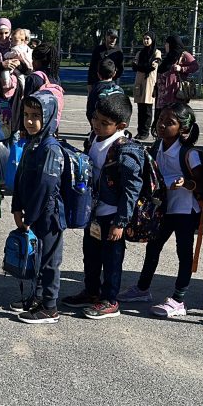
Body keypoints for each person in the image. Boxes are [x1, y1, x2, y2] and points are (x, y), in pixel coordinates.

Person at [117, 103, 203, 317]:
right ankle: (143, 288)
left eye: (170, 122)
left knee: (184, 254)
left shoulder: (189, 153)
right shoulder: (157, 147)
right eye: (161, 119)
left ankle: (179, 299)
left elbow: (202, 184)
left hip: (184, 210)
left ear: (183, 129)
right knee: (153, 248)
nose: (162, 124)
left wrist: (187, 184)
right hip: (163, 208)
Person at [62, 93, 142, 320]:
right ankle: (91, 291)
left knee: (112, 260)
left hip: (112, 215)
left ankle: (110, 300)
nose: (97, 125)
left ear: (121, 125)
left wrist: (121, 222)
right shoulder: (94, 139)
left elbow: (131, 190)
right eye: (95, 119)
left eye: (104, 123)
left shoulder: (126, 151)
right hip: (93, 213)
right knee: (91, 254)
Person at [11, 91, 66, 325]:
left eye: (36, 116)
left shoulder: (50, 148)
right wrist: (16, 207)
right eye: (26, 115)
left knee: (50, 261)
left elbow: (46, 185)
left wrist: (30, 215)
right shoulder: (33, 143)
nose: (29, 121)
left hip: (49, 215)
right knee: (37, 256)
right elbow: (21, 177)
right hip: (34, 213)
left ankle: (50, 306)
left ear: (49, 117)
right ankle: (39, 296)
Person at [155, 35, 199, 112]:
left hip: (174, 93)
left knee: (174, 114)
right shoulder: (168, 57)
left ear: (172, 44)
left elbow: (195, 66)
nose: (165, 46)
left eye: (167, 44)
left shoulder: (183, 55)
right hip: (162, 94)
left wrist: (181, 68)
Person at [131, 32, 162, 140]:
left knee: (147, 109)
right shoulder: (140, 53)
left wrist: (141, 66)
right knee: (140, 109)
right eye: (144, 39)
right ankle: (140, 131)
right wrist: (143, 66)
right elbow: (134, 66)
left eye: (148, 38)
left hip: (149, 82)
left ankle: (145, 132)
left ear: (152, 39)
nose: (146, 41)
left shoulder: (156, 53)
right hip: (140, 82)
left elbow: (152, 67)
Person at [86, 59, 123, 125]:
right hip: (115, 126)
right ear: (114, 73)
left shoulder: (95, 89)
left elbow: (90, 110)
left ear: (98, 74)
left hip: (99, 125)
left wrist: (93, 124)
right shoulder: (119, 90)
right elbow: (124, 109)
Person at [87, 29, 124, 93]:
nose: (113, 40)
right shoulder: (98, 50)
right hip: (97, 83)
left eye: (115, 38)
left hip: (111, 84)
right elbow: (92, 68)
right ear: (106, 37)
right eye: (111, 37)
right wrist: (89, 83)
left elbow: (121, 69)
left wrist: (112, 77)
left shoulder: (118, 51)